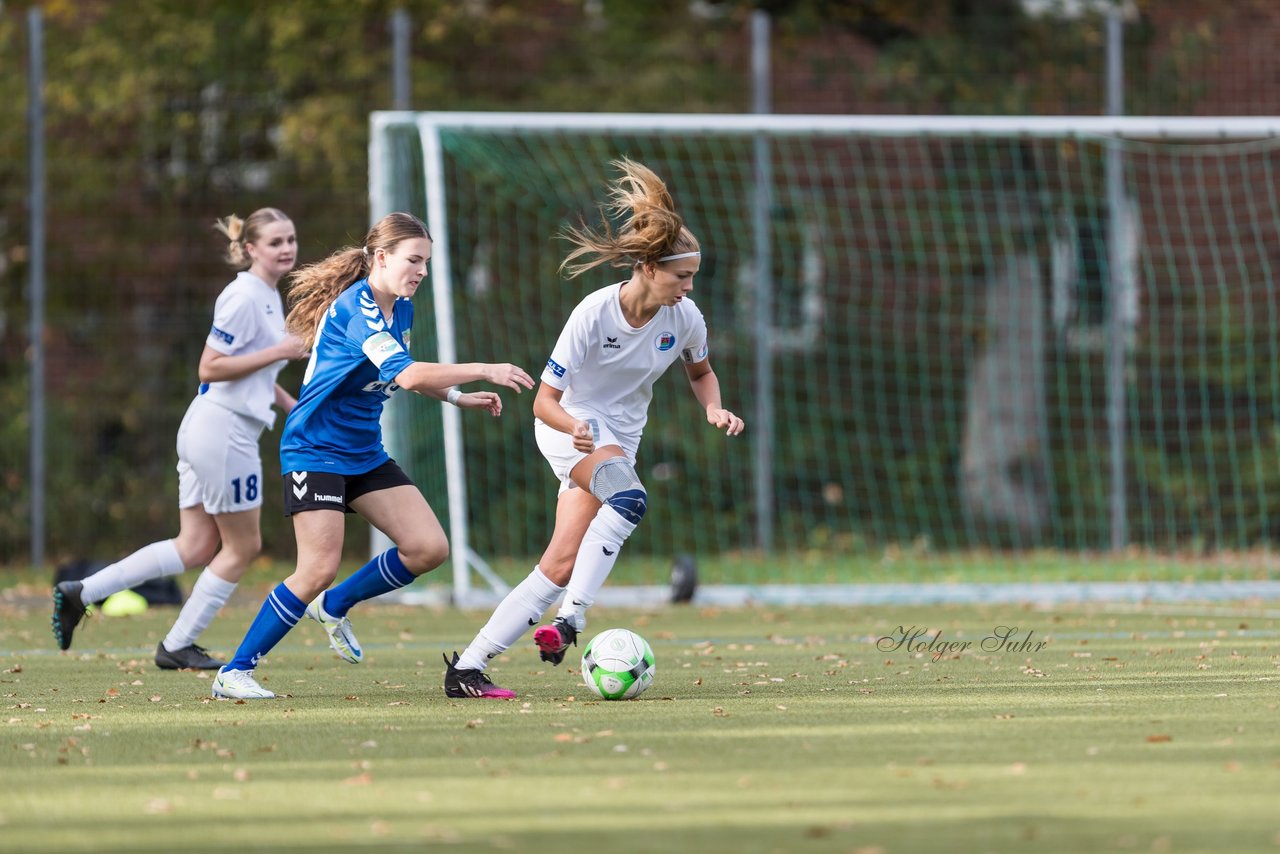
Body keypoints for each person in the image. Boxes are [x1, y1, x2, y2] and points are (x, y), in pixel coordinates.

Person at [443, 158, 745, 699]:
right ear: (650, 269)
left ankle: (466, 669)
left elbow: (700, 371)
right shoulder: (592, 313)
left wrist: (712, 407)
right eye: (683, 275)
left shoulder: (686, 318)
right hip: (568, 429)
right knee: (629, 501)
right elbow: (544, 403)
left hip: (616, 441)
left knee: (558, 565)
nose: (689, 286)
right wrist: (577, 428)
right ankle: (573, 622)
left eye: (692, 276)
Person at [211, 212, 535, 700]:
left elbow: (393, 375)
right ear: (380, 258)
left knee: (428, 548)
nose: (422, 271)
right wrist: (483, 370)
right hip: (315, 450)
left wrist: (457, 398)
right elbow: (406, 375)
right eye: (413, 260)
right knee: (316, 568)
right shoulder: (355, 307)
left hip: (363, 451)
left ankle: (334, 605)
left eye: (426, 261)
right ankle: (233, 672)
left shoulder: (400, 308)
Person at [52, 208, 309, 670]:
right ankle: (177, 645)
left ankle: (82, 592)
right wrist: (281, 350)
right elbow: (210, 367)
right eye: (275, 242)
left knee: (193, 546)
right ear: (250, 248)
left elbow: (255, 372)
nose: (287, 248)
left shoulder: (268, 296)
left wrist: (295, 407)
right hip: (224, 432)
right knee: (242, 548)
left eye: (290, 239)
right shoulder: (244, 296)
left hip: (212, 427)